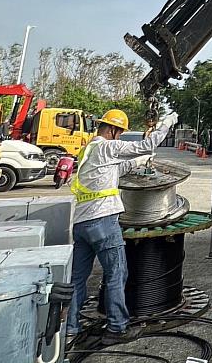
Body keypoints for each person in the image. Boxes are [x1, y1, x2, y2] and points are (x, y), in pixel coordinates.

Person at [66, 108, 178, 345]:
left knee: (77, 278)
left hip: (81, 223)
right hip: (103, 222)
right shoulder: (108, 147)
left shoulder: (90, 150)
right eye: (120, 133)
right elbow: (147, 145)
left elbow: (115, 171)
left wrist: (137, 162)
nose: (120, 138)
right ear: (113, 130)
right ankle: (117, 327)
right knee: (116, 274)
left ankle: (71, 328)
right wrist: (166, 123)